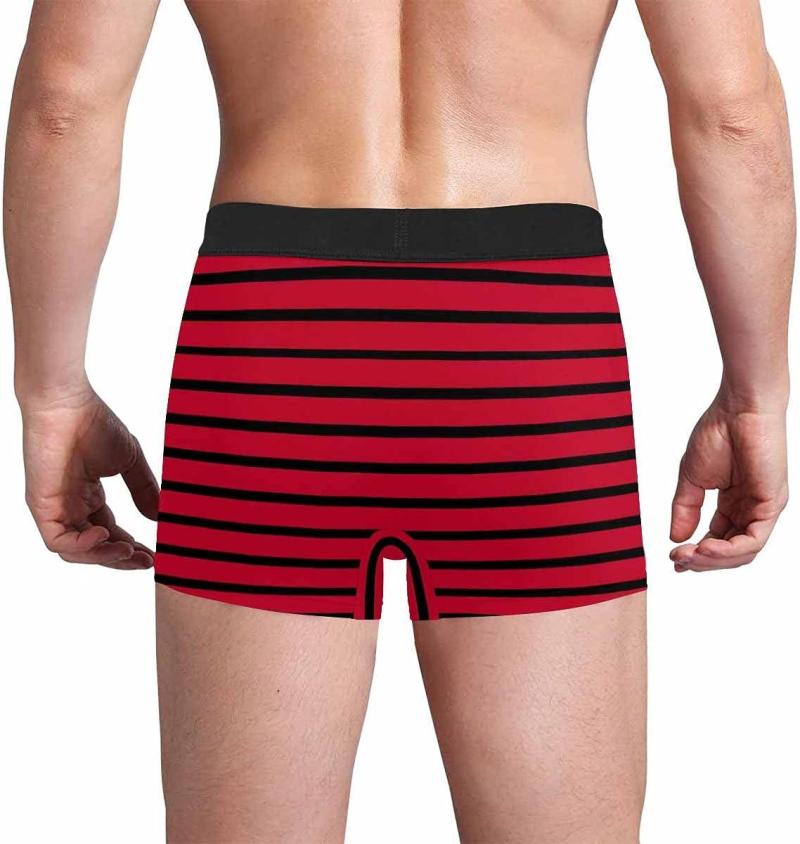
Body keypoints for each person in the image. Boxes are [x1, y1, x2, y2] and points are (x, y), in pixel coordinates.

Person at [4, 1, 793, 841]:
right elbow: (730, 114)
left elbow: (65, 106)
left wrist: (50, 392)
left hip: (274, 340)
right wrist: (756, 396)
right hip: (528, 344)